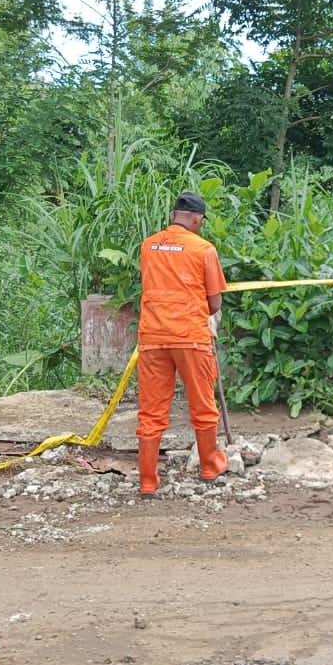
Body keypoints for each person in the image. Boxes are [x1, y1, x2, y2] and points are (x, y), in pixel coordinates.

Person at [135, 192, 229, 498]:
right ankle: (209, 468)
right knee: (203, 407)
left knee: (150, 413)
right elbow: (214, 302)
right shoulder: (204, 249)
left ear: (173, 215)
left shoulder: (148, 245)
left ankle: (148, 481)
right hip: (191, 338)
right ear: (196, 219)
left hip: (152, 339)